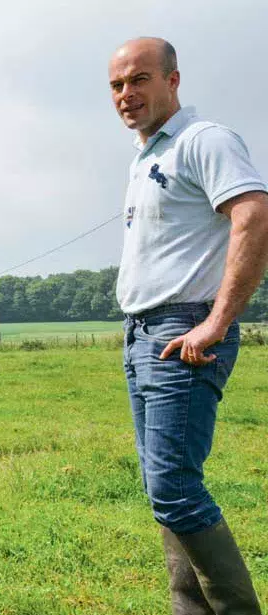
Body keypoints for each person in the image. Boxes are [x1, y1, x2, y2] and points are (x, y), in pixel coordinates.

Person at [110, 37, 268, 613]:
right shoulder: (146, 155)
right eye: (117, 85)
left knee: (174, 488)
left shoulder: (205, 140)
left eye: (139, 79)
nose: (127, 94)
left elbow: (253, 214)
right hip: (142, 334)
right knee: (164, 489)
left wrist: (218, 322)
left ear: (173, 81)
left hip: (185, 331)